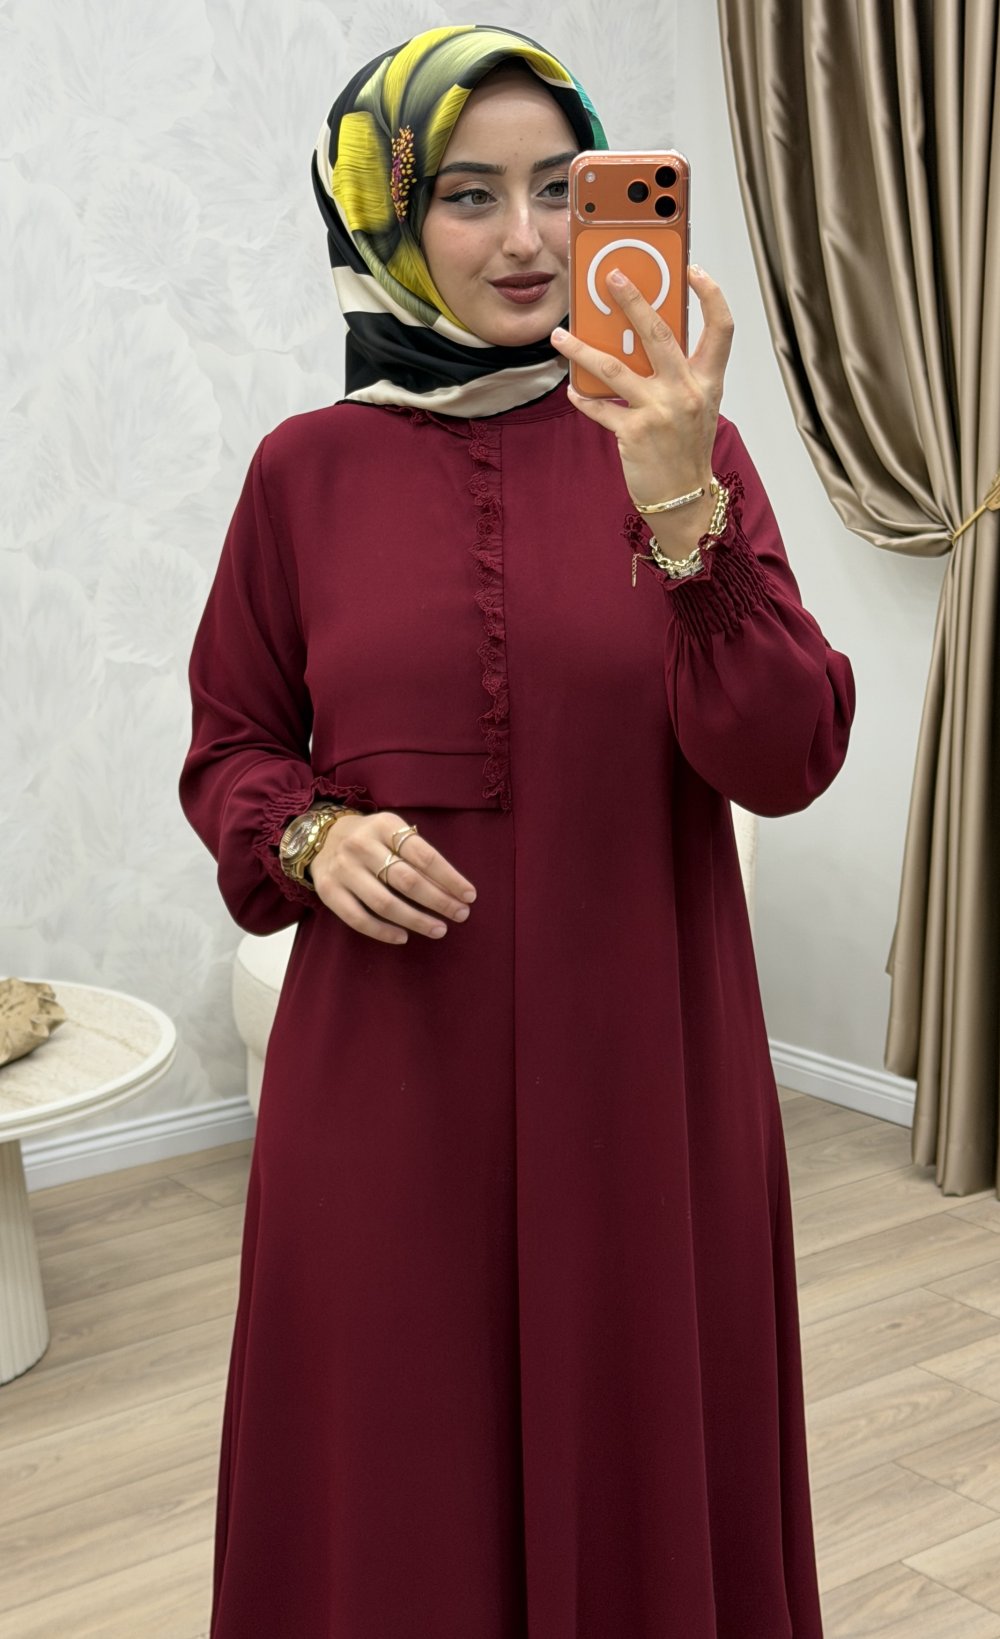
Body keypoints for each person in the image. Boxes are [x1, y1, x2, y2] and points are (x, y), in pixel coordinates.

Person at [179, 23, 855, 1639]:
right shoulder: (303, 475)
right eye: (470, 195)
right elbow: (232, 746)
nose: (531, 238)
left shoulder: (687, 447)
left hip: (646, 1074)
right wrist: (311, 838)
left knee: (642, 1446)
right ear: (386, 217)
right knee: (394, 1463)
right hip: (386, 1093)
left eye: (563, 186)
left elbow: (786, 755)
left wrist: (681, 503)